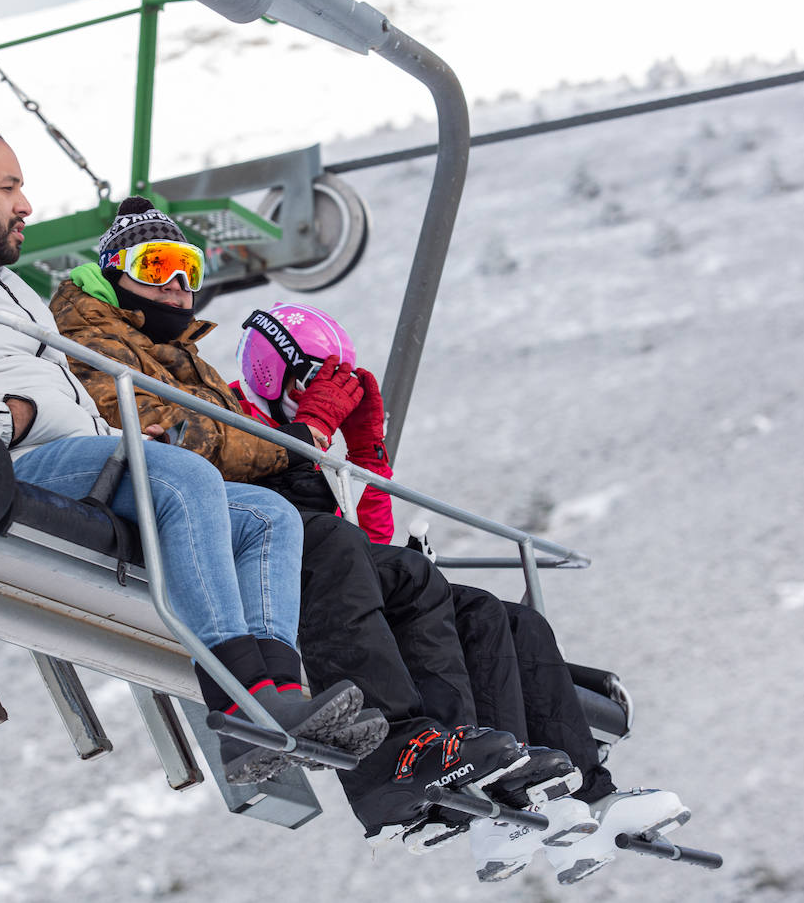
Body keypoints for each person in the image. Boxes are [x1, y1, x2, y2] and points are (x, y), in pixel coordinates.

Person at [0, 121, 377, 786]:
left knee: (267, 516)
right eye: (8, 187)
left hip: (64, 458)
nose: (25, 204)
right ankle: (238, 698)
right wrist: (4, 418)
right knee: (178, 474)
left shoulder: (11, 289)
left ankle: (279, 694)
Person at [49, 197, 582, 857]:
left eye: (188, 267)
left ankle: (455, 750)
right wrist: (300, 435)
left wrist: (353, 442)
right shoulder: (90, 341)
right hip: (181, 512)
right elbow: (190, 438)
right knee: (330, 545)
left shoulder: (182, 356)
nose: (177, 286)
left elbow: (232, 444)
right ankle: (395, 754)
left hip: (243, 507)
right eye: (156, 264)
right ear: (111, 271)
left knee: (420, 581)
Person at [231, 305, 690, 885]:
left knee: (502, 616)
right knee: (414, 578)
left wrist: (364, 443)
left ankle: (579, 792)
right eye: (320, 379)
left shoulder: (310, 432)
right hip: (272, 560)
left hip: (333, 559)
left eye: (339, 382)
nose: (330, 394)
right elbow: (283, 513)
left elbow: (369, 539)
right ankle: (450, 768)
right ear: (280, 375)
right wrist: (310, 433)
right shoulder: (230, 418)